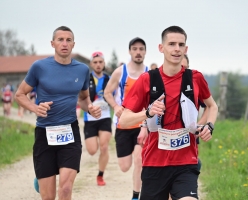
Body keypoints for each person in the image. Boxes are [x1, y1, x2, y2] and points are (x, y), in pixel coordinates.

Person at [119, 25, 218, 200]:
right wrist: (147, 113)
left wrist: (208, 125)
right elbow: (124, 120)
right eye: (171, 44)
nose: (176, 49)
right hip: (154, 164)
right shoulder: (147, 79)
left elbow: (212, 106)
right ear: (161, 48)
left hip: (186, 163)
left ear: (186, 49)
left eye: (181, 45)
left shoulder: (195, 78)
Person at [14, 26, 101, 200]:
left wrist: (90, 107)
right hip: (44, 133)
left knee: (66, 189)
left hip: (69, 133)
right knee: (48, 197)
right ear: (52, 43)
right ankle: (42, 177)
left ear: (73, 44)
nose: (64, 43)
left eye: (68, 40)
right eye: (60, 39)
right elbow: (20, 94)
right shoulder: (39, 67)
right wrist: (34, 108)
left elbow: (83, 99)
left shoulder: (82, 70)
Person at [104, 37, 148, 200]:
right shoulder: (120, 72)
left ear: (145, 52)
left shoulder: (149, 73)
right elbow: (107, 93)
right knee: (124, 166)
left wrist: (146, 123)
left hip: (142, 124)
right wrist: (115, 107)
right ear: (130, 51)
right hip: (123, 125)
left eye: (141, 49)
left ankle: (136, 196)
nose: (138, 52)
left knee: (139, 160)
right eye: (135, 49)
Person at [83, 51, 112, 186]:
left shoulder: (110, 79)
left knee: (104, 147)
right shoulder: (85, 79)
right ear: (91, 64)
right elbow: (79, 97)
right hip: (90, 118)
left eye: (100, 62)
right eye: (95, 62)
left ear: (104, 63)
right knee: (92, 150)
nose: (98, 65)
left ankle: (100, 175)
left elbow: (117, 96)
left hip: (105, 117)